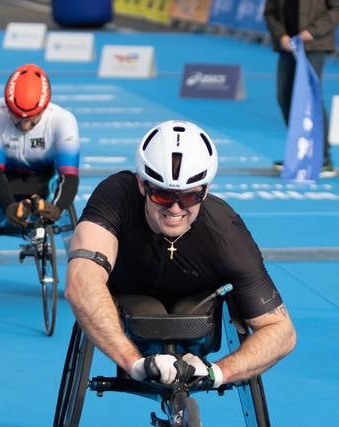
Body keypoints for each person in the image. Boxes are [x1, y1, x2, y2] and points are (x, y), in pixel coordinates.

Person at [64, 120, 296, 387]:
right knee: (133, 305)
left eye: (188, 197)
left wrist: (218, 372)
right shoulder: (116, 196)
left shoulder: (225, 232)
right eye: (163, 196)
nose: (175, 209)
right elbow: (81, 281)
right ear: (142, 185)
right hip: (128, 308)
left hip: (196, 312)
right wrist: (133, 362)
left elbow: (281, 331)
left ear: (205, 190)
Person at [263, 0, 339, 178]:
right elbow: (270, 12)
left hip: (313, 46)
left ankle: (323, 157)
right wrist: (281, 36)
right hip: (288, 47)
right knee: (285, 98)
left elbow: (338, 7)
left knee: (310, 101)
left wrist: (313, 31)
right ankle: (300, 151)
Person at [0, 63, 81, 228]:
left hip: (43, 177)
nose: (24, 126)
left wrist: (57, 208)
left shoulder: (64, 120)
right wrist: (9, 206)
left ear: (44, 110)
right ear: (7, 107)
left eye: (32, 120)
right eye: (17, 118)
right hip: (5, 177)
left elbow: (70, 176)